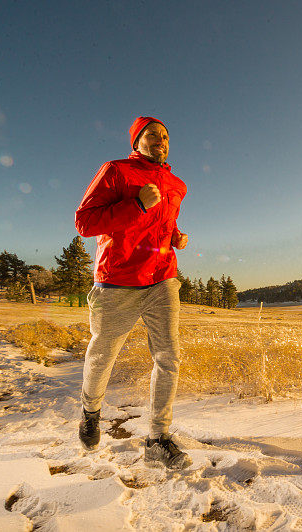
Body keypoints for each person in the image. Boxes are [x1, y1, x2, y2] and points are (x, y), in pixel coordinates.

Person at [74, 116, 191, 469]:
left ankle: (157, 438)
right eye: (152, 134)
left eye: (165, 135)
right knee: (102, 355)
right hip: (117, 280)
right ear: (136, 141)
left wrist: (174, 237)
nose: (160, 140)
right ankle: (91, 412)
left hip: (162, 278)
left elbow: (162, 223)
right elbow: (85, 222)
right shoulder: (115, 171)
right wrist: (136, 204)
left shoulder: (177, 184)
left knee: (168, 357)